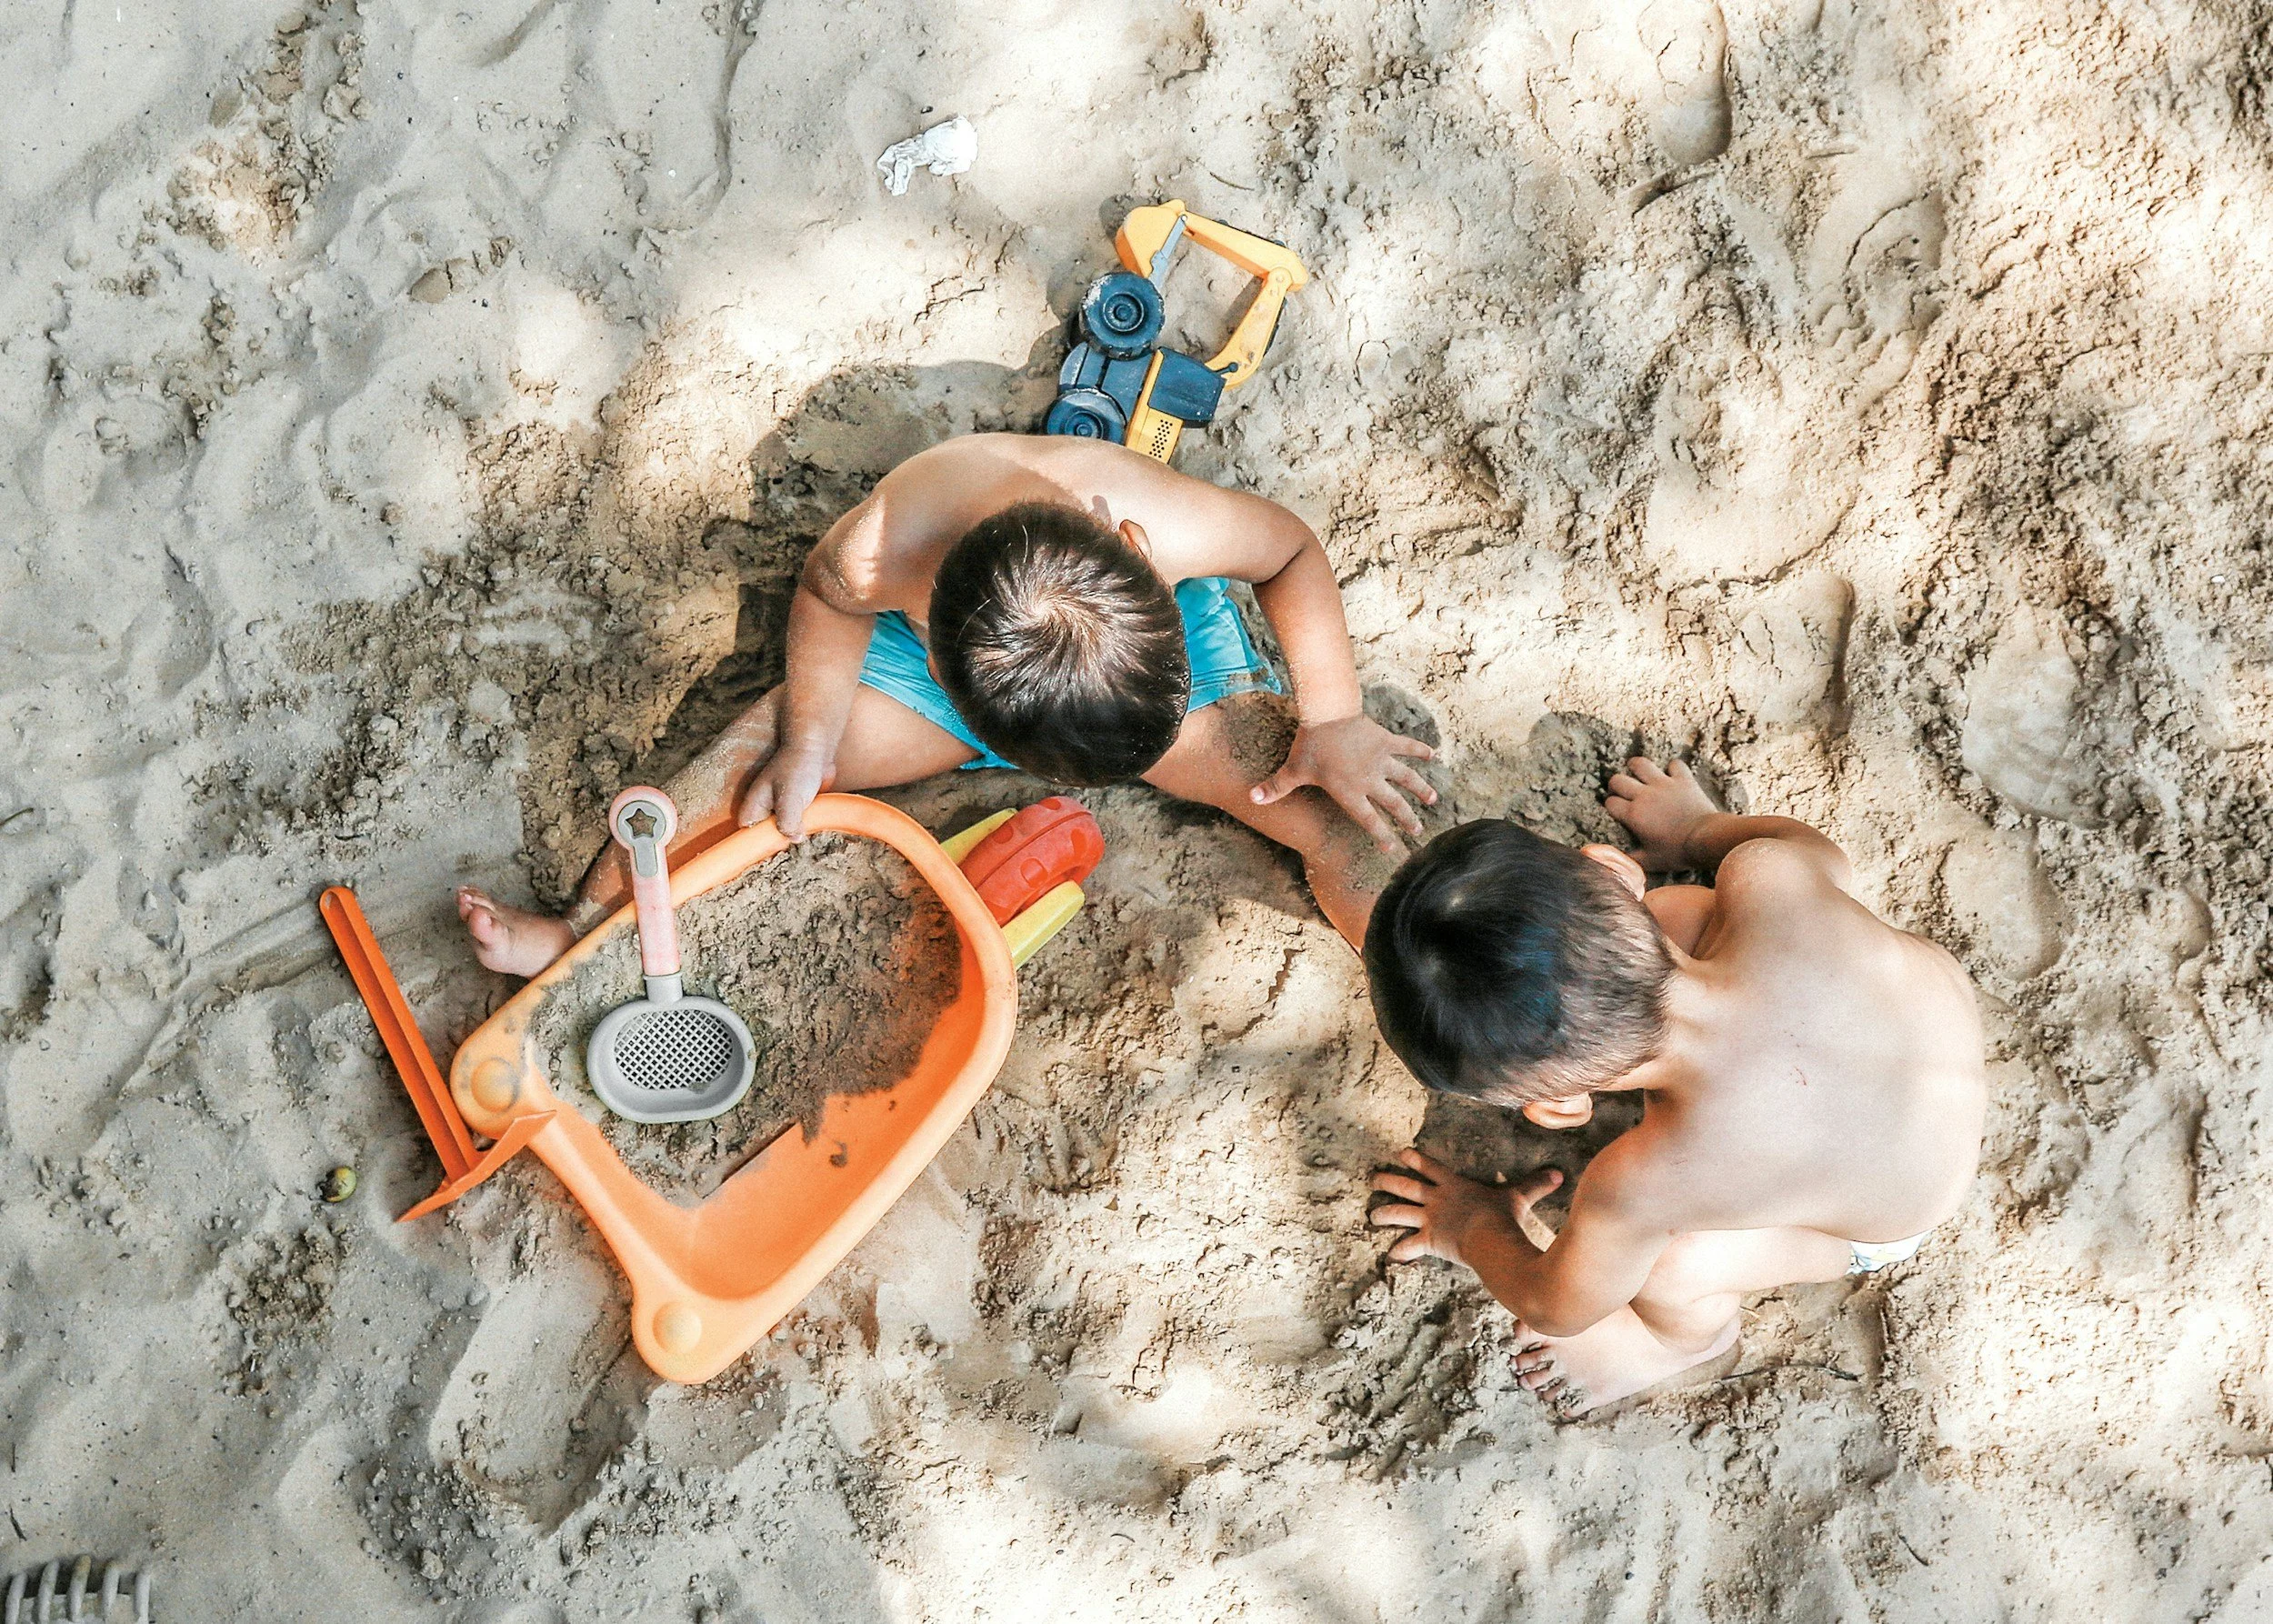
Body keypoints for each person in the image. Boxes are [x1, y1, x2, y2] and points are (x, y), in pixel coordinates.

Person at [456, 433, 1435, 971]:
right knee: (756, 763)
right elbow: (829, 599)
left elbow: (1292, 551)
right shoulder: (888, 541)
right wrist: (810, 738)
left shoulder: (1169, 526)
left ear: (1134, 545)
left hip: (1138, 666)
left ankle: (1406, 961)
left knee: (1340, 819)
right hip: (980, 676)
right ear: (929, 638)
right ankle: (581, 928)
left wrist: (1335, 717)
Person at [1362, 756, 1985, 1414]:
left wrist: (1471, 1225)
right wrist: (1698, 831)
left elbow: (1557, 1305)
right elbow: (1818, 850)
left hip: (1892, 1219)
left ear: (1546, 1100)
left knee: (1673, 1267)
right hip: (1935, 1055)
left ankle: (1678, 1344)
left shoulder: (1646, 1181)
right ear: (1610, 871)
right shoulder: (1768, 874)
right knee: (1685, 912)